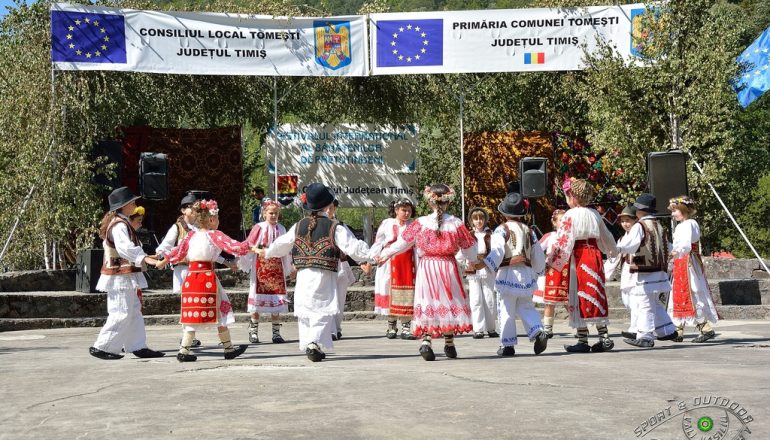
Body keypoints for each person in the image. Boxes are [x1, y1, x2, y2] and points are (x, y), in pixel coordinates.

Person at [255, 183, 372, 362]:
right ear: (327, 205)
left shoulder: (299, 225)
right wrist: (372, 255)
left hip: (304, 273)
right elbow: (353, 247)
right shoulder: (334, 227)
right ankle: (313, 343)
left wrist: (267, 251)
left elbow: (282, 244)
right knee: (322, 307)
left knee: (307, 308)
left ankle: (311, 343)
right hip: (324, 272)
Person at [377, 184, 477, 361]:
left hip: (427, 267)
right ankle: (449, 342)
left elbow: (402, 242)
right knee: (448, 300)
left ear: (430, 202)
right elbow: (470, 248)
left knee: (428, 301)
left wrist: (385, 254)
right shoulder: (456, 223)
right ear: (448, 202)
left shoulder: (420, 223)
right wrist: (473, 261)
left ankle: (426, 341)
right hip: (448, 266)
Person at [159, 200, 251, 362]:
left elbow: (177, 253)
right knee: (220, 312)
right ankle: (228, 348)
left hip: (191, 279)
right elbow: (235, 247)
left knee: (192, 315)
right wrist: (252, 245)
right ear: (211, 219)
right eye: (217, 218)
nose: (218, 221)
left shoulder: (190, 236)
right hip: (207, 278)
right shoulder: (214, 235)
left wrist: (162, 261)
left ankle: (184, 350)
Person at [89, 187, 164, 360]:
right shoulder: (119, 225)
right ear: (125, 206)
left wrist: (146, 257)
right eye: (133, 202)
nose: (135, 205)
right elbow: (125, 249)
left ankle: (137, 345)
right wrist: (146, 259)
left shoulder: (121, 223)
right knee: (121, 311)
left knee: (133, 310)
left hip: (124, 274)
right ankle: (103, 346)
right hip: (119, 276)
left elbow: (128, 249)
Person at [548, 178, 618, 353]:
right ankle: (604, 337)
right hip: (594, 255)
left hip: (578, 257)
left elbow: (563, 240)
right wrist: (613, 251)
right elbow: (606, 236)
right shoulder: (594, 214)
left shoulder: (570, 215)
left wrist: (552, 262)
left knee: (577, 294)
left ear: (572, 196)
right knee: (596, 292)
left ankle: (583, 340)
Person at [483, 192, 548, 357]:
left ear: (504, 213)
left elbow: (497, 250)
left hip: (508, 272)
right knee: (526, 305)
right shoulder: (529, 231)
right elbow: (538, 253)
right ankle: (538, 331)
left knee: (506, 308)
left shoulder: (502, 229)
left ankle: (508, 345)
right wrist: (539, 269)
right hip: (526, 273)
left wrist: (488, 264)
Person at [607, 199, 678, 348]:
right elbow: (669, 247)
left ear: (640, 211)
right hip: (658, 270)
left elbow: (631, 245)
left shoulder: (640, 226)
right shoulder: (659, 225)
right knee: (651, 302)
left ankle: (645, 336)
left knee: (644, 303)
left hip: (645, 271)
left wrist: (616, 249)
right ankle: (668, 330)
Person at [239, 198, 292, 344]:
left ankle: (276, 333)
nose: (273, 216)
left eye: (276, 213)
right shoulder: (259, 227)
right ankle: (253, 332)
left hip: (276, 266)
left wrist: (289, 267)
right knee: (257, 299)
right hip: (261, 266)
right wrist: (257, 250)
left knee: (276, 298)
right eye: (271, 213)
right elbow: (249, 245)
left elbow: (286, 249)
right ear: (264, 213)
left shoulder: (281, 228)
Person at [668, 195, 718, 343]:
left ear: (683, 209)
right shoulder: (681, 225)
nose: (672, 214)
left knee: (693, 291)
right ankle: (678, 329)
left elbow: (685, 245)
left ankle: (705, 327)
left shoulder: (690, 223)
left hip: (688, 261)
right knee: (678, 293)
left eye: (675, 210)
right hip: (682, 261)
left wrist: (675, 252)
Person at [369, 198, 418, 340]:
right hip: (389, 262)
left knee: (406, 294)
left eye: (409, 210)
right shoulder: (387, 223)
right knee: (389, 292)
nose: (407, 213)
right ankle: (391, 326)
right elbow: (378, 242)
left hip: (408, 263)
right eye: (404, 210)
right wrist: (374, 256)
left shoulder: (414, 225)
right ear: (396, 210)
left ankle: (406, 328)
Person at [460, 207, 498, 339]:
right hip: (473, 268)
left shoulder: (491, 235)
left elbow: (496, 252)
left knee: (489, 298)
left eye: (481, 218)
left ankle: (491, 328)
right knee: (476, 299)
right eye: (475, 219)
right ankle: (478, 329)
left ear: (485, 220)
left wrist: (492, 264)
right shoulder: (468, 235)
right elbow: (462, 252)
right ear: (471, 221)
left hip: (487, 268)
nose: (478, 221)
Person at [532, 209, 567, 338]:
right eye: (560, 220)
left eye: (565, 220)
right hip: (551, 272)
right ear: (554, 222)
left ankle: (578, 325)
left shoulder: (571, 236)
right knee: (549, 301)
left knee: (569, 301)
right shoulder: (550, 236)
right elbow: (536, 249)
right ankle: (547, 329)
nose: (563, 223)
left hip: (566, 272)